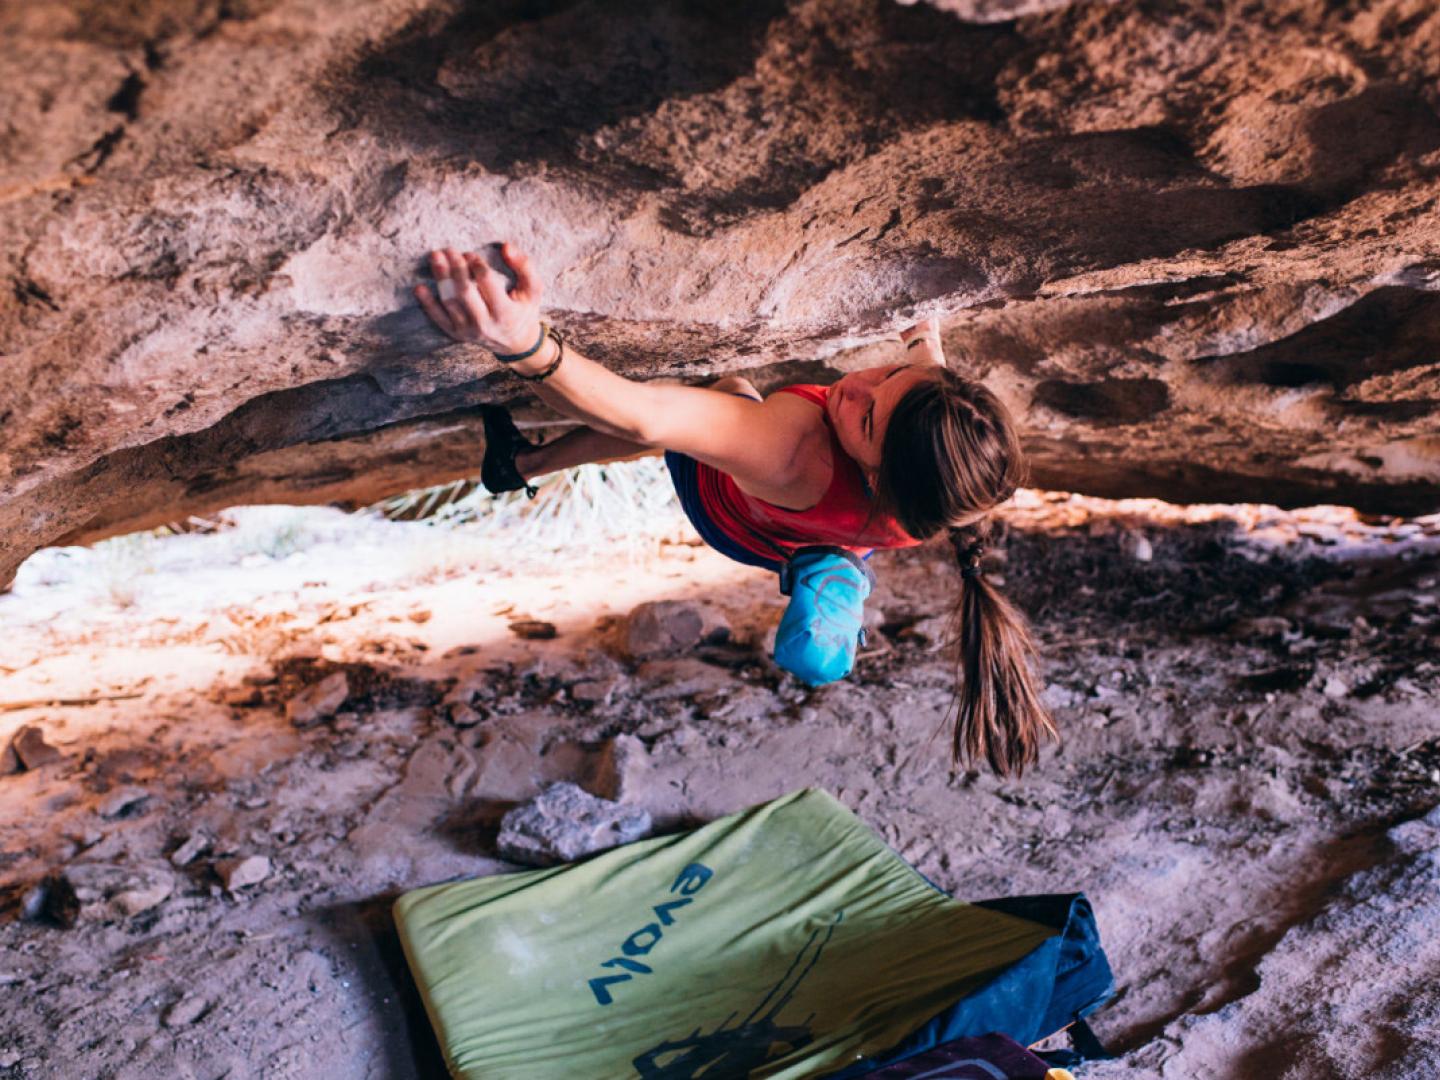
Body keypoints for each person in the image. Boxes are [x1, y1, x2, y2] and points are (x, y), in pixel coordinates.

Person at [414, 244, 1056, 776]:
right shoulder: (955, 485)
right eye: (889, 377)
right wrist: (922, 338)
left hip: (734, 516)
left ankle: (521, 465)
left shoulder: (788, 446)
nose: (858, 384)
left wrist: (522, 342)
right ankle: (831, 567)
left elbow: (643, 413)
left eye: (866, 417)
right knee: (834, 511)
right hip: (837, 525)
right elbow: (926, 384)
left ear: (875, 472)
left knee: (719, 397)